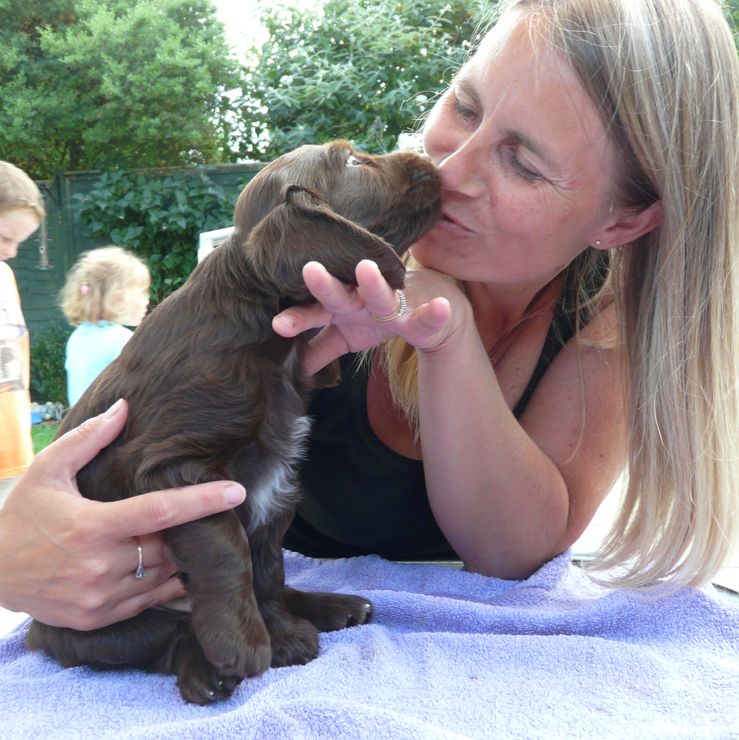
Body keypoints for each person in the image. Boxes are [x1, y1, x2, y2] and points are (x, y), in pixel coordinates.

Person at [1, 0, 737, 630]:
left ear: (623, 220)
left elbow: (510, 551)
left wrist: (447, 337)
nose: (450, 170)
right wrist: (15, 555)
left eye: (523, 162)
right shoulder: (311, 243)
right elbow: (109, 453)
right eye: (465, 105)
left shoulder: (602, 326)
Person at [0, 162, 44, 507]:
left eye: (19, 242)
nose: (12, 252)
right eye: (4, 237)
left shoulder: (5, 277)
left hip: (12, 448)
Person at [60, 246, 150, 406]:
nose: (147, 300)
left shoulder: (78, 336)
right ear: (119, 297)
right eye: (142, 292)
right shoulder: (122, 340)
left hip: (81, 424)